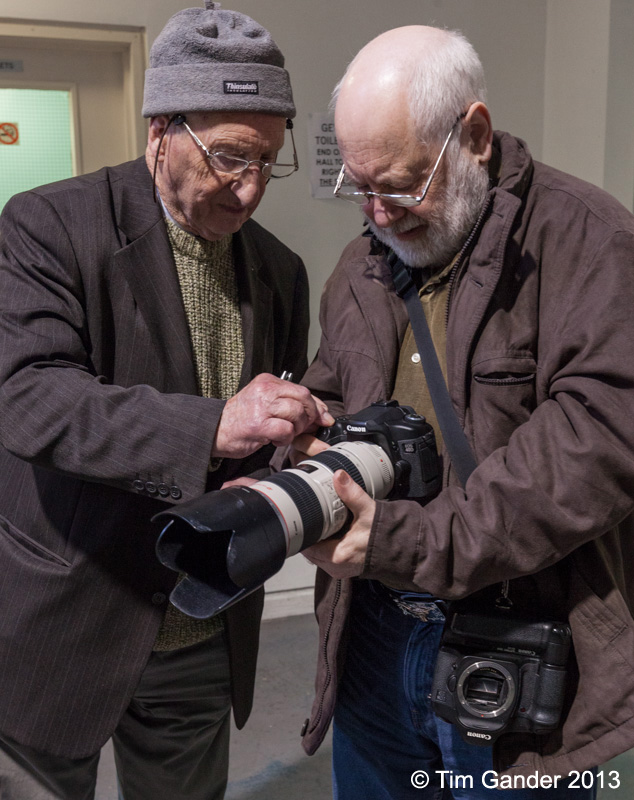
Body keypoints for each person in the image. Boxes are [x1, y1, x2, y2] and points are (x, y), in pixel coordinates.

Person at [0, 3, 332, 799]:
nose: (249, 189)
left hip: (202, 623)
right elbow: (32, 397)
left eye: (267, 162)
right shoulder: (47, 226)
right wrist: (216, 423)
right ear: (160, 130)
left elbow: (261, 433)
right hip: (65, 615)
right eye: (227, 158)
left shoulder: (280, 270)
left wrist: (289, 454)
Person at [294, 24, 634, 800]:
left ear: (473, 135)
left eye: (402, 186)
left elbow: (591, 449)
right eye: (361, 189)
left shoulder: (593, 243)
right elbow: (338, 394)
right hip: (374, 635)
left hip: (524, 636)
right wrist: (301, 440)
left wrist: (407, 540)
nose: (378, 215)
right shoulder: (361, 264)